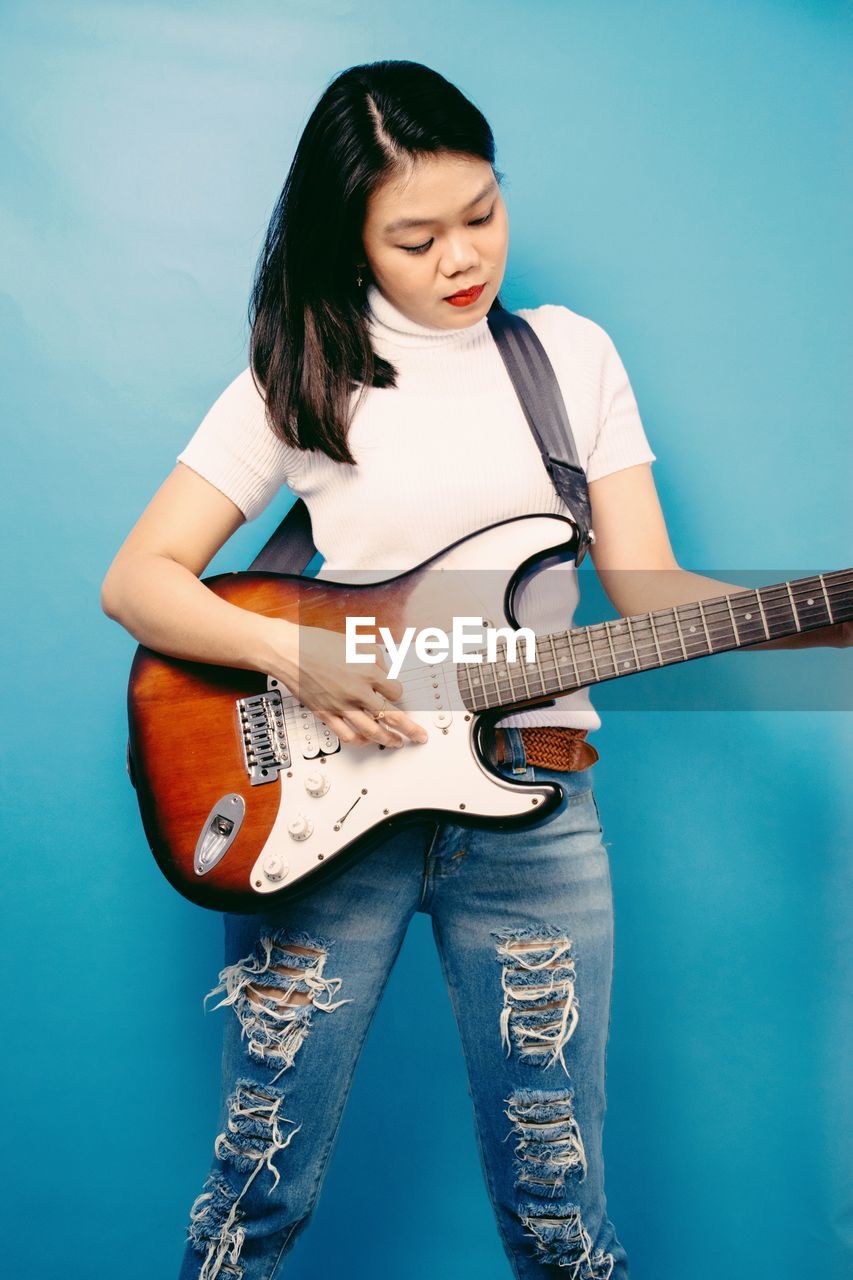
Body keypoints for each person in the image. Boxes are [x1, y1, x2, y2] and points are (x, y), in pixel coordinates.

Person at [101, 60, 847, 1280]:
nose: (462, 258)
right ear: (352, 239)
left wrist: (819, 616)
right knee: (255, 1190)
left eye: (482, 214)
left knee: (561, 1210)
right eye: (416, 236)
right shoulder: (301, 373)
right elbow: (139, 580)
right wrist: (297, 652)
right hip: (330, 817)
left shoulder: (567, 358)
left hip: (535, 811)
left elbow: (647, 590)